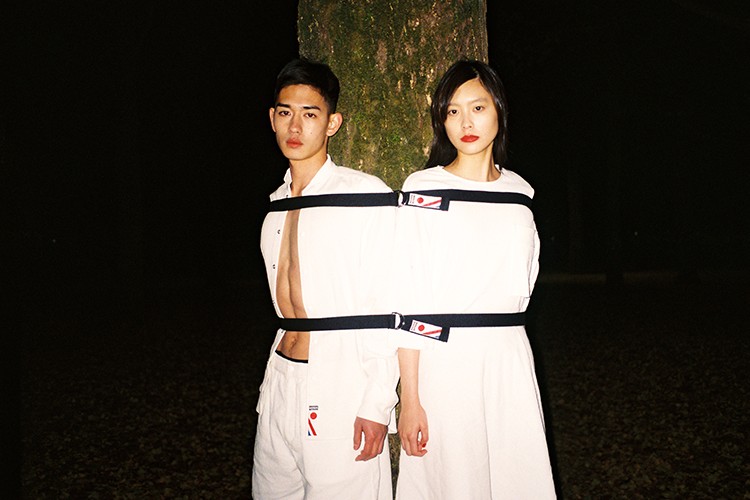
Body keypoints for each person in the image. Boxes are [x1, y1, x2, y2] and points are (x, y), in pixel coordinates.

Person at [395, 60, 557, 499]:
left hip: (509, 359)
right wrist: (411, 398)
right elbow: (408, 294)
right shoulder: (423, 187)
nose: (465, 122)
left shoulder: (521, 193)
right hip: (446, 362)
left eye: (478, 107)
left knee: (516, 479)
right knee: (455, 482)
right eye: (453, 111)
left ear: (498, 109)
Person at [251, 59, 398, 500]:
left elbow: (387, 304)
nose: (295, 126)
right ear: (272, 118)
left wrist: (377, 403)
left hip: (339, 385)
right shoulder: (275, 207)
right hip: (280, 382)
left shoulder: (363, 196)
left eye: (310, 114)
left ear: (332, 123)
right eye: (285, 112)